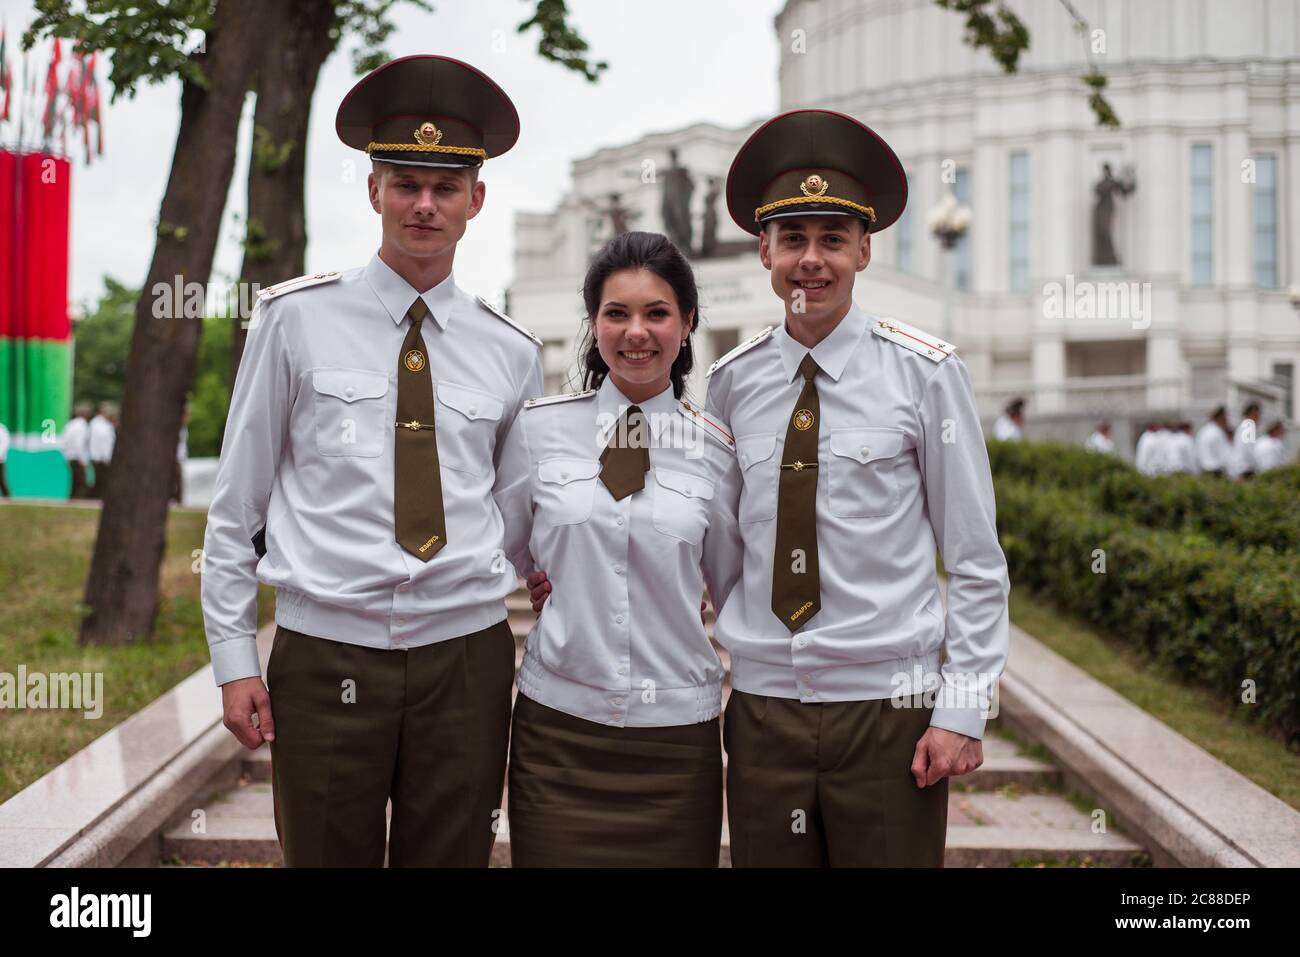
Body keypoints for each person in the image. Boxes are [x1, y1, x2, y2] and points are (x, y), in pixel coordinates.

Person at [201, 55, 542, 867]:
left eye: (445, 186)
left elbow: (522, 518)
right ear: (373, 190)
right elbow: (236, 503)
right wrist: (232, 656)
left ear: (475, 200)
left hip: (464, 656)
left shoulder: (511, 352)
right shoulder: (293, 320)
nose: (424, 204)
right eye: (404, 182)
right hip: (326, 654)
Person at [705, 109, 1009, 866]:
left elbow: (973, 556)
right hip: (766, 709)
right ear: (764, 249)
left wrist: (963, 707)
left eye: (833, 239)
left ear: (864, 249)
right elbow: (721, 549)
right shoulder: (730, 385)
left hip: (891, 711)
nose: (813, 260)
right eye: (794, 239)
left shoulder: (926, 373)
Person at [494, 231, 743, 866]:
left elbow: (732, 588)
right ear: (594, 324)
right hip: (559, 729)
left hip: (675, 740)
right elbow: (500, 542)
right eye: (616, 313)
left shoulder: (716, 449)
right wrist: (544, 575)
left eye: (657, 313)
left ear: (687, 324)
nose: (637, 331)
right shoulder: (537, 429)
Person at [88, 402, 118, 498]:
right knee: (101, 482)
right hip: (101, 459)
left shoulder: (96, 423)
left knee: (99, 482)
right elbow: (105, 444)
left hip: (97, 457)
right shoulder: (102, 425)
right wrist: (108, 459)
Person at [63, 402, 92, 498]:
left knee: (75, 482)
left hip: (69, 456)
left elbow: (64, 442)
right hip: (77, 457)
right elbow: (79, 444)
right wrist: (83, 460)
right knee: (81, 483)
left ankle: (71, 500)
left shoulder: (70, 424)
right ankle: (78, 501)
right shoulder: (82, 426)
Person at [1229, 401, 1263, 479]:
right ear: (1250, 414)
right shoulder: (1249, 427)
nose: (1258, 417)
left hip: (1241, 468)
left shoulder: (1243, 426)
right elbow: (1250, 452)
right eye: (1256, 415)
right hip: (1246, 470)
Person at [1195, 406, 1231, 476]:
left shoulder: (1202, 431)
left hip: (1203, 471)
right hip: (1216, 472)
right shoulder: (1218, 432)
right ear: (1221, 418)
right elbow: (1224, 456)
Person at [172, 406, 190, 504]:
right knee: (176, 480)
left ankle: (179, 500)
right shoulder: (178, 427)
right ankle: (176, 500)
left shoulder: (184, 428)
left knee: (179, 479)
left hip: (180, 458)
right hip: (176, 458)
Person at [0, 420, 10, 497]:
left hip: (0, 460)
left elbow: (4, 443)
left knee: (1, 480)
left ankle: (8, 500)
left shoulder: (2, 429)